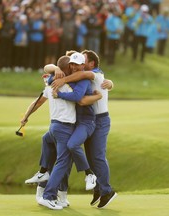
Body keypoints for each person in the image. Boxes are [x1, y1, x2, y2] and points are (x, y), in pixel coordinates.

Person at [21, 55, 102, 209]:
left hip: (53, 127)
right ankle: (49, 195)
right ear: (67, 69)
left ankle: (45, 174)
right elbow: (80, 98)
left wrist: (26, 116)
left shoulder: (51, 83)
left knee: (47, 140)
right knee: (63, 163)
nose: (74, 69)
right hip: (65, 127)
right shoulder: (69, 85)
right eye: (71, 66)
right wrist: (98, 95)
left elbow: (38, 102)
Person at [51, 50, 117, 209]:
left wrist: (63, 79)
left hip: (100, 119)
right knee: (91, 156)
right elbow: (56, 67)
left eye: (83, 60)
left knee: (98, 156)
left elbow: (82, 78)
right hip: (88, 119)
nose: (78, 64)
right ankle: (99, 188)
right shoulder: (83, 73)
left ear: (91, 64)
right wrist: (56, 69)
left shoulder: (96, 74)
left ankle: (107, 190)